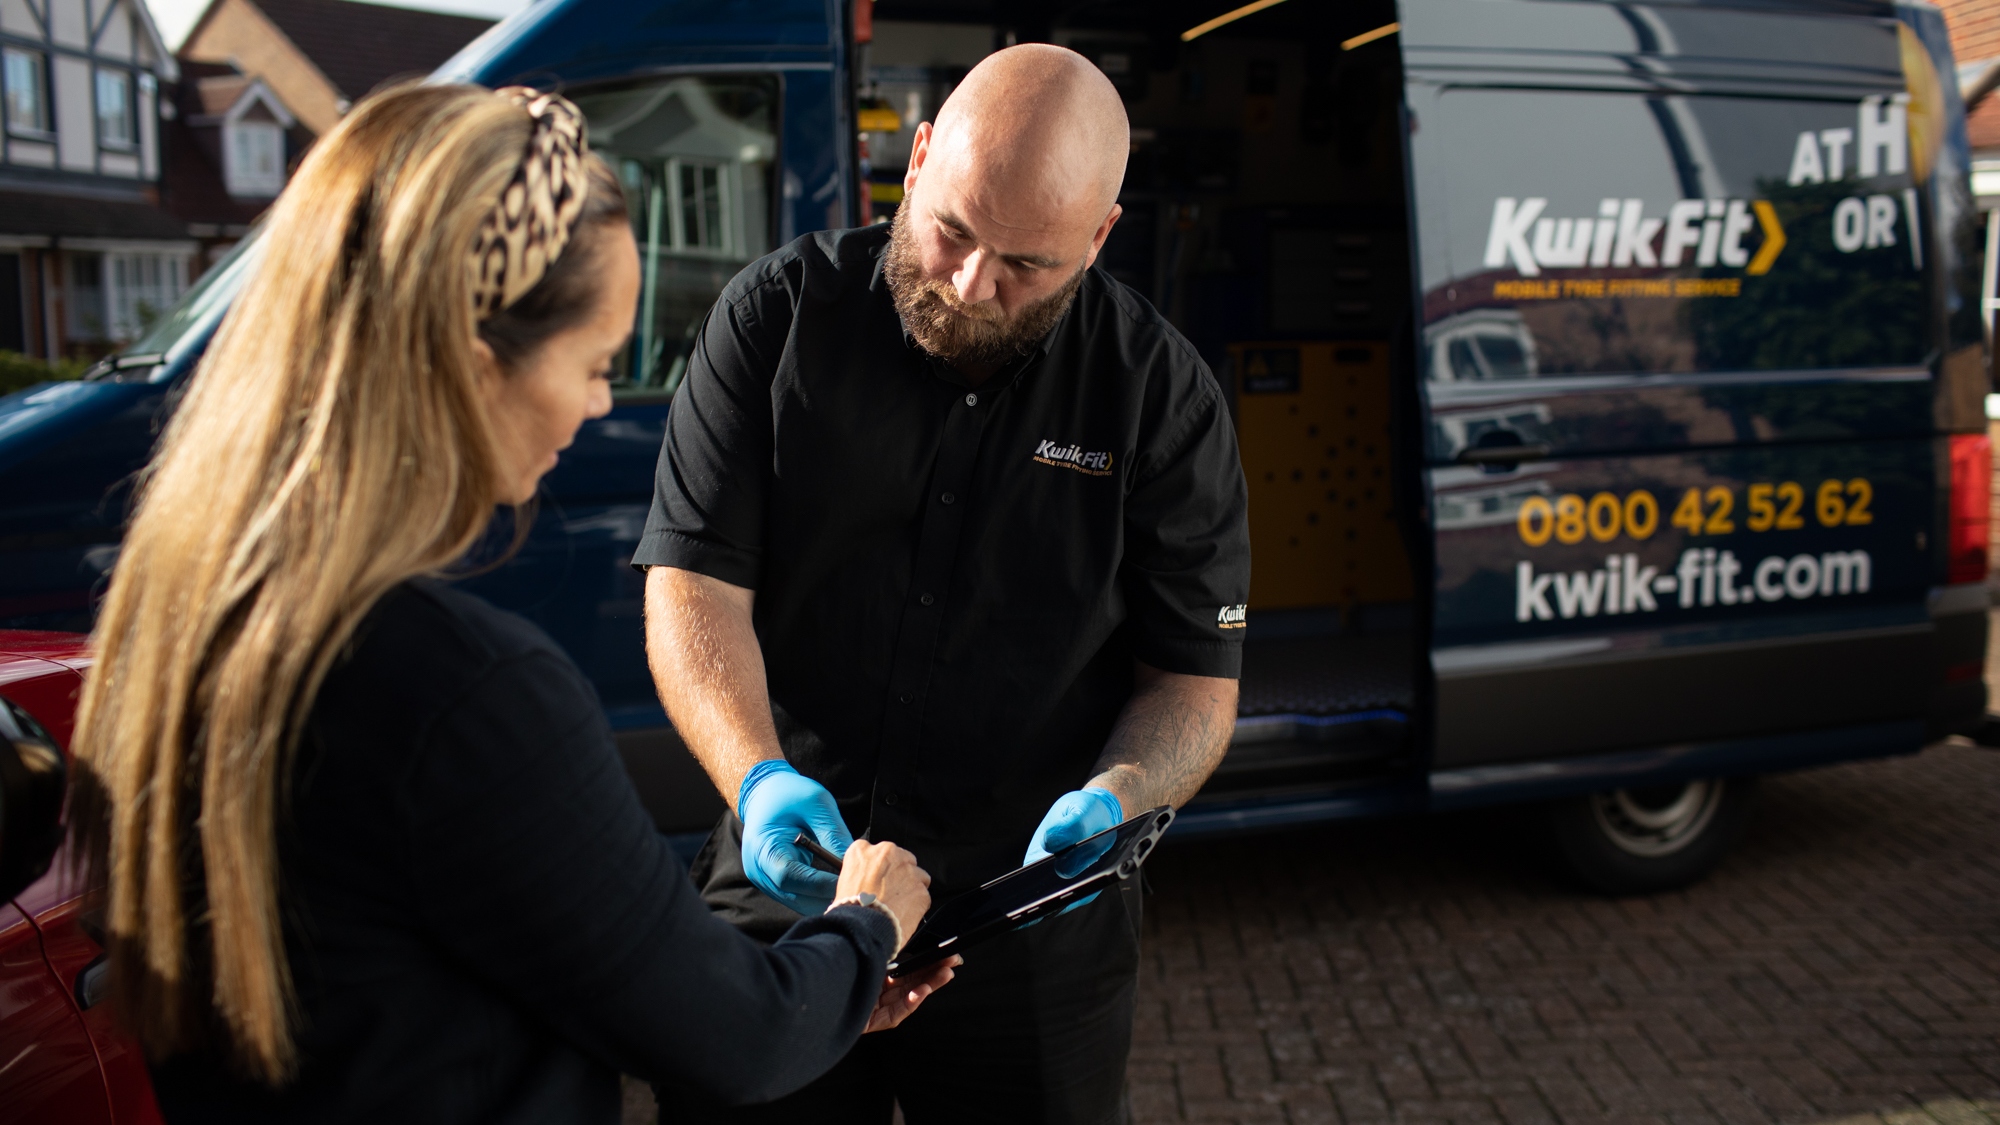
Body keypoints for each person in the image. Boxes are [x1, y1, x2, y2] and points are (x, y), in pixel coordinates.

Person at [67, 83, 954, 1125]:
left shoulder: (183, 611)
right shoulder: (456, 690)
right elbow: (741, 1037)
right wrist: (863, 929)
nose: (593, 404)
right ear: (469, 359)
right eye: (589, 364)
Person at [636, 44, 1251, 1124]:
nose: (971, 286)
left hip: (1029, 936)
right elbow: (691, 590)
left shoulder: (1161, 400)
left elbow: (1193, 682)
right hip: (791, 899)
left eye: (1026, 265)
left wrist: (1122, 792)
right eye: (952, 232)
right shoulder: (773, 323)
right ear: (915, 160)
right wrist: (755, 779)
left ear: (1098, 236)